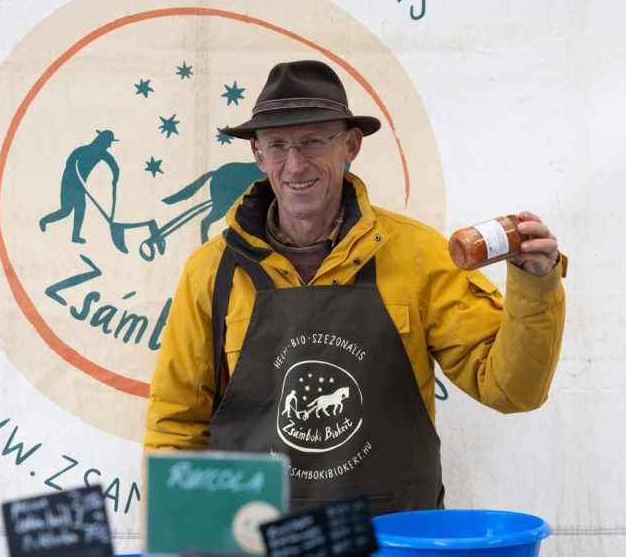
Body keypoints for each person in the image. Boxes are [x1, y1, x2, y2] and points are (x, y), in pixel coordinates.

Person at [143, 60, 566, 515]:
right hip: (256, 535)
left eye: (313, 141)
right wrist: (181, 534)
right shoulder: (213, 271)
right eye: (278, 145)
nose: (295, 164)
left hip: (393, 536)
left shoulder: (419, 255)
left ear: (351, 145)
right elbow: (177, 425)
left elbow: (510, 390)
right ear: (258, 154)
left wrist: (535, 285)